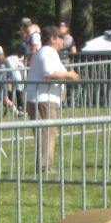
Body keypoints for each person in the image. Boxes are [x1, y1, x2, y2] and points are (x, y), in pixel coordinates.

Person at [24, 25, 80, 173]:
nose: (63, 41)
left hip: (42, 98)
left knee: (46, 132)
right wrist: (70, 75)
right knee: (46, 133)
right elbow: (49, 74)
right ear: (53, 39)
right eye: (61, 38)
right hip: (43, 99)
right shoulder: (48, 53)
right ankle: (44, 167)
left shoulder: (47, 53)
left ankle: (45, 165)